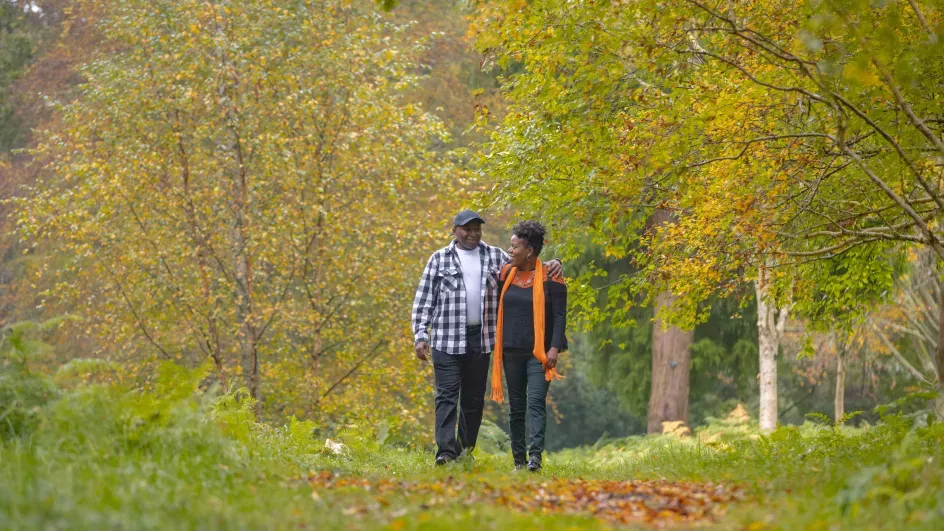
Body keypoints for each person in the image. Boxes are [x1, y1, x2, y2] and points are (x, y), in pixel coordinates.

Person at [411, 210, 561, 466]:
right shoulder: (438, 259)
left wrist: (554, 262)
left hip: (481, 339)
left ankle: (465, 451)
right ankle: (446, 452)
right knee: (446, 397)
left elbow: (527, 263)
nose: (472, 234)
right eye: (466, 229)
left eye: (477, 229)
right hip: (446, 339)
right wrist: (420, 335)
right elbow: (424, 300)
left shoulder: (495, 256)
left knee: (472, 399)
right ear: (455, 230)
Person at [490, 220, 566, 472]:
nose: (509, 251)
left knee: (535, 403)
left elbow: (559, 316)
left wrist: (554, 348)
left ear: (530, 250)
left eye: (514, 247)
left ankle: (535, 459)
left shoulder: (551, 276)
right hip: (511, 351)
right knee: (517, 408)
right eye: (510, 246)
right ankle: (518, 461)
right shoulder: (505, 274)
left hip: (540, 353)